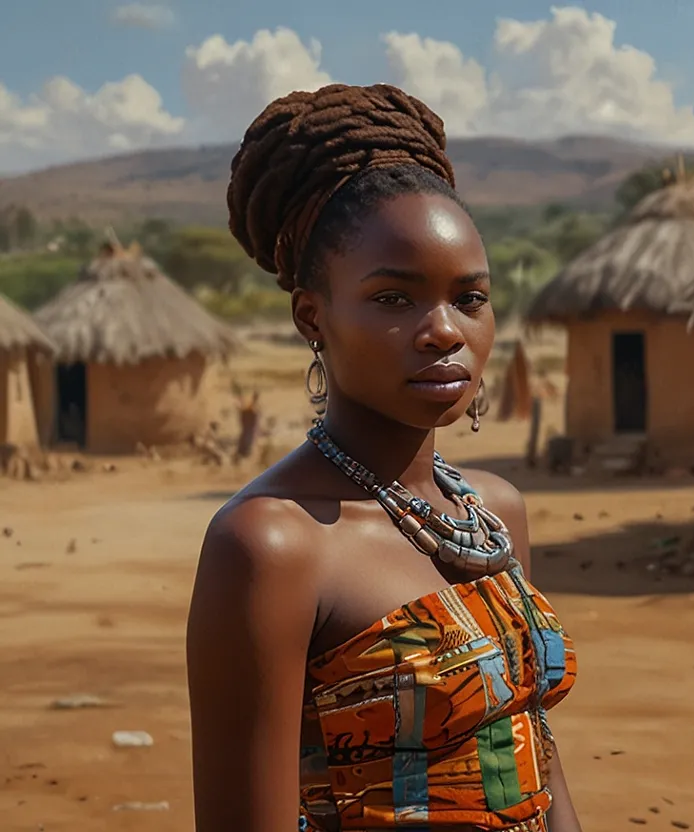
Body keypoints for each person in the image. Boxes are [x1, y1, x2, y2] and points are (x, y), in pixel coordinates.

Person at [186, 83, 580, 832]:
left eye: (470, 298)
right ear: (313, 316)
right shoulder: (274, 544)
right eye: (395, 299)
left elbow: (535, 751)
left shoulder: (494, 516)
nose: (444, 331)